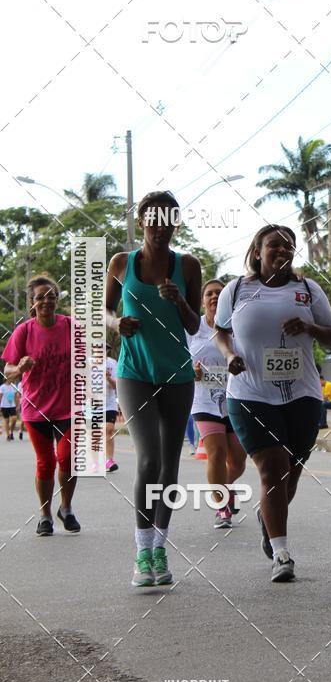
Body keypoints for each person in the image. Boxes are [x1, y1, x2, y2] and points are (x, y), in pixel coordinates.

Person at [214, 225, 331, 582]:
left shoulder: (308, 289)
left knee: (289, 476)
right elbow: (220, 331)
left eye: (289, 246)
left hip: (302, 395)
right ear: (257, 252)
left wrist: (310, 328)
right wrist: (229, 355)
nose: (282, 251)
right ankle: (281, 554)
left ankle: (266, 515)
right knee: (272, 469)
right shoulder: (236, 289)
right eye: (274, 245)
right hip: (250, 394)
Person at [105, 190, 201, 587]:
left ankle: (160, 547)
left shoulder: (188, 265)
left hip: (176, 373)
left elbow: (194, 324)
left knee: (169, 464)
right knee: (148, 459)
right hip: (135, 372)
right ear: (141, 221)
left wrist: (179, 302)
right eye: (154, 219)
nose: (161, 227)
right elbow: (105, 311)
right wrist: (116, 324)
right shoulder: (121, 263)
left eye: (169, 220)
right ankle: (142, 552)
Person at [1, 275, 80, 535]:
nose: (46, 301)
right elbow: (8, 370)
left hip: (69, 407)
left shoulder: (71, 326)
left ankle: (66, 508)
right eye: (40, 297)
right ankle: (45, 514)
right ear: (32, 303)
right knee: (45, 462)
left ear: (57, 299)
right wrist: (19, 368)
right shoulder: (24, 331)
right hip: (36, 408)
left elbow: (88, 356)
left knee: (68, 458)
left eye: (51, 296)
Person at [187, 279, 247, 530]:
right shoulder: (193, 328)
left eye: (219, 293)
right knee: (217, 453)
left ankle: (225, 487)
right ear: (202, 301)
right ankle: (221, 506)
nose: (214, 297)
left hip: (237, 397)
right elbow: (180, 360)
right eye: (209, 293)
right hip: (204, 400)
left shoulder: (239, 325)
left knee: (239, 460)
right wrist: (191, 371)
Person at [105, 344, 119, 472]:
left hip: (109, 403)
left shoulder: (112, 363)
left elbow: (116, 386)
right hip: (91, 405)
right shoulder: (87, 363)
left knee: (109, 430)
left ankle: (109, 460)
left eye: (105, 349)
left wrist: (108, 378)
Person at [0, 371, 18, 440]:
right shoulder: (2, 387)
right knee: (6, 420)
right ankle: (8, 435)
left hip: (12, 405)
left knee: (14, 418)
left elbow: (16, 397)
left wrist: (17, 405)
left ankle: (11, 432)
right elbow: (0, 397)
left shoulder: (13, 386)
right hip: (4, 406)